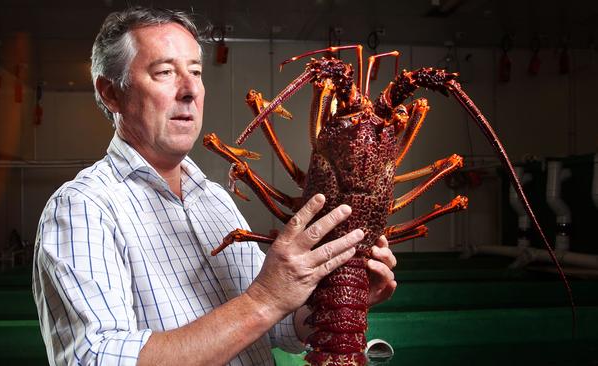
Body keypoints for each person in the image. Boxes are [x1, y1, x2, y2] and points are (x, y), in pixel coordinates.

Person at [32, 6, 397, 366]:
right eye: (164, 72)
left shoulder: (214, 199)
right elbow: (96, 359)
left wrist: (339, 296)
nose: (190, 89)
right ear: (111, 93)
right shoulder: (82, 207)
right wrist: (264, 299)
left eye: (196, 71)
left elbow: (272, 325)